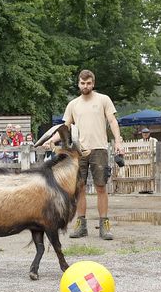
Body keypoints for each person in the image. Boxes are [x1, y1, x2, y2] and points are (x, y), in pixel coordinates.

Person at [45, 69, 124, 240]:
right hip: (78, 151)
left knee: (101, 187)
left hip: (99, 149)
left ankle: (104, 225)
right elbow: (65, 127)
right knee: (79, 188)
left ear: (93, 83)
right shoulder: (73, 104)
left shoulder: (103, 100)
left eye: (88, 83)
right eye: (82, 83)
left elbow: (112, 121)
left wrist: (118, 141)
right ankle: (81, 225)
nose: (85, 86)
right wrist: (51, 140)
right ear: (78, 84)